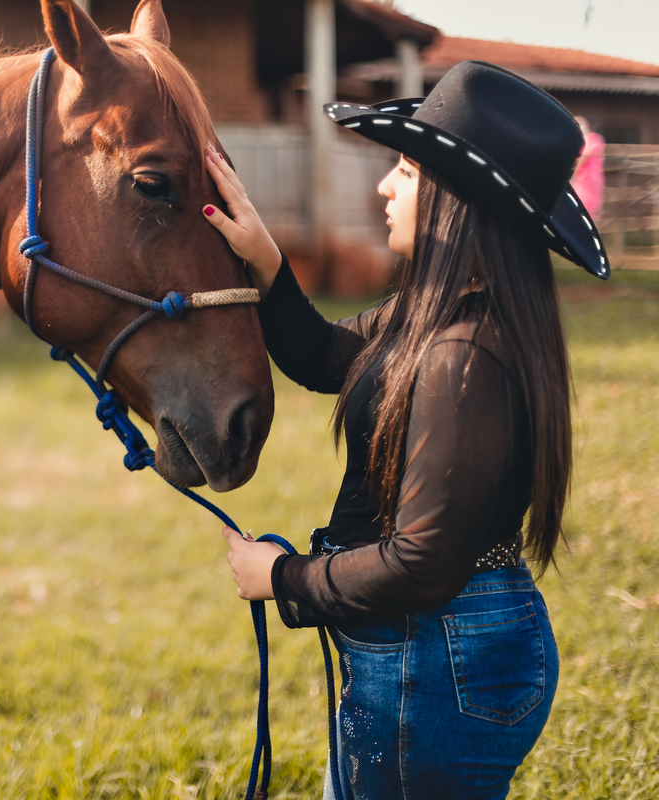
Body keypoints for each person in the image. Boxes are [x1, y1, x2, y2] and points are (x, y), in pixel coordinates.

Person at [201, 61, 610, 800]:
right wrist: (264, 258)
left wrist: (281, 578)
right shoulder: (440, 317)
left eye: (406, 172)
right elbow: (328, 358)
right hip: (435, 651)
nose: (385, 188)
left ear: (458, 202)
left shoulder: (465, 355)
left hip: (435, 657)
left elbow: (423, 564)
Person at [571, 116, 605, 219]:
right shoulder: (584, 141)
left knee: (586, 209)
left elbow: (584, 157)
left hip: (588, 180)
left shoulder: (593, 138)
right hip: (584, 180)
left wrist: (573, 174)